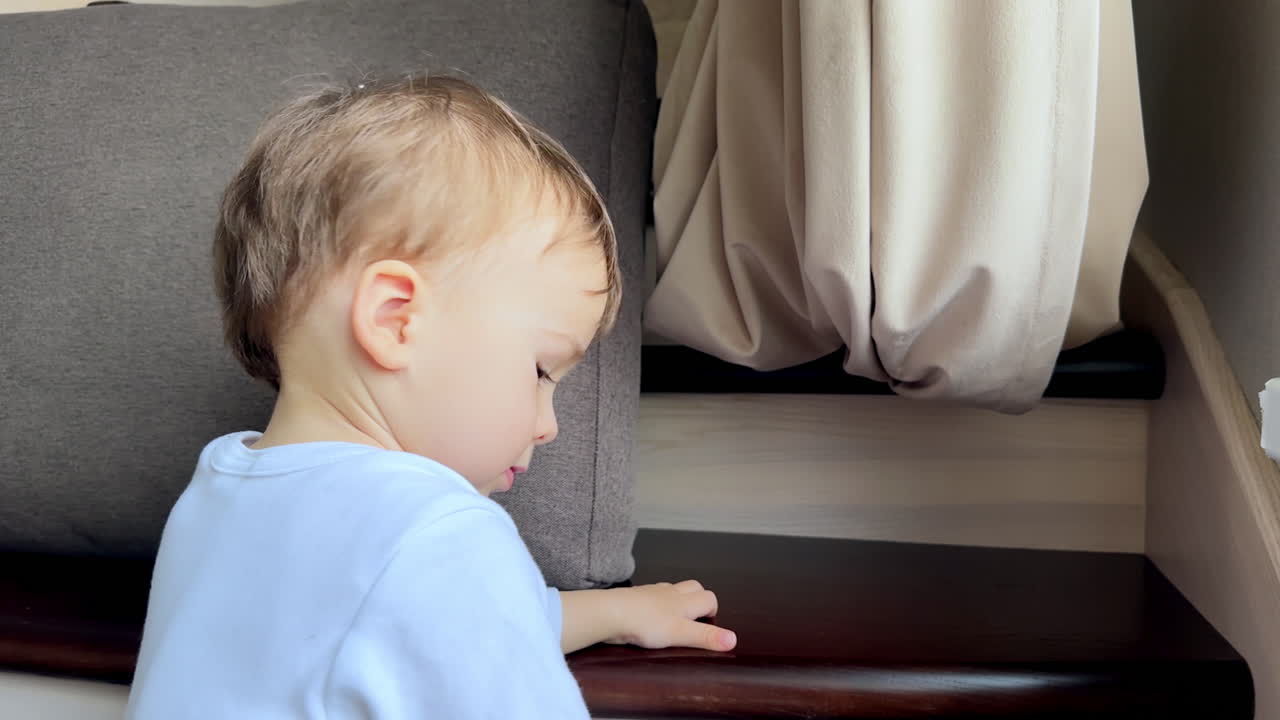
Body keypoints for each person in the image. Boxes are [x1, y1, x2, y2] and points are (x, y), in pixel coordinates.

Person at [125, 73, 735, 719]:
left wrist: (612, 611)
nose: (549, 425)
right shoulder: (441, 532)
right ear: (395, 321)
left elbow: (423, 621)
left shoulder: (215, 492)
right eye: (540, 371)